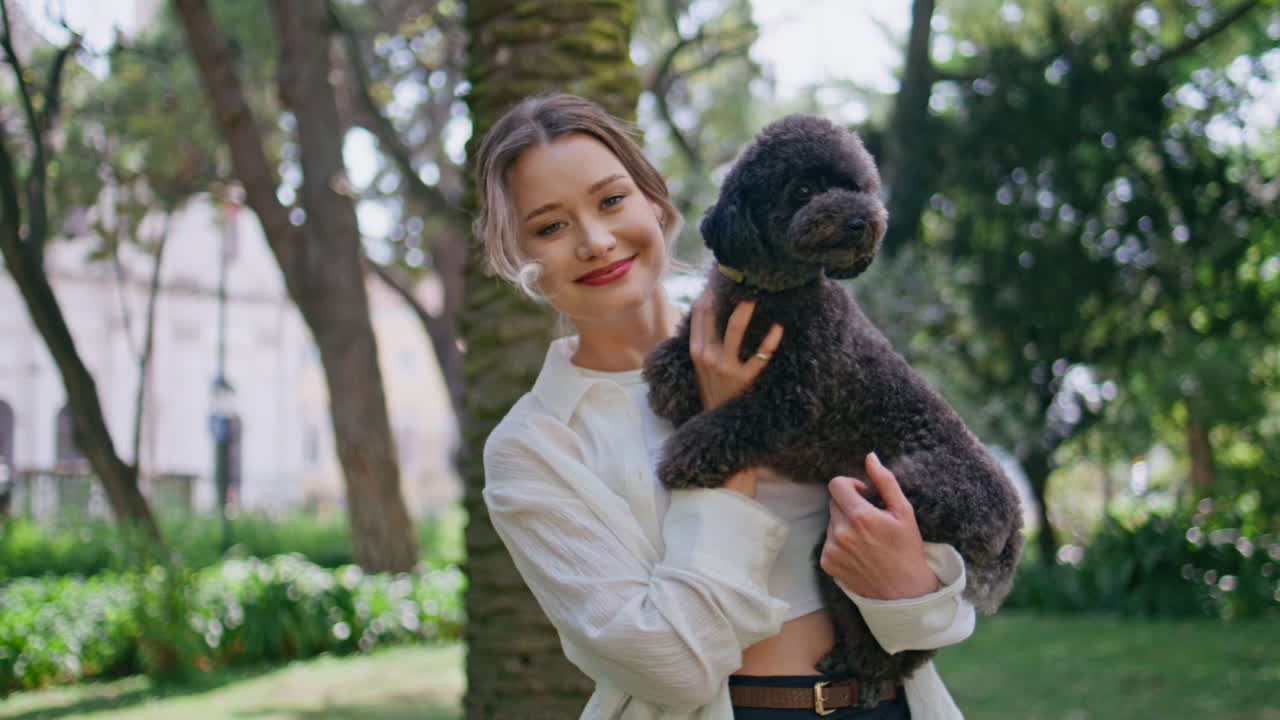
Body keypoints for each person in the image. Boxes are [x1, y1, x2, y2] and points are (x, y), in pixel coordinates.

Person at [476, 93, 974, 719]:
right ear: (517, 257)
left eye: (611, 200)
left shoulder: (801, 332)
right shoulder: (533, 448)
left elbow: (935, 618)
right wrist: (727, 431)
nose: (595, 241)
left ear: (655, 203)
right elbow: (674, 669)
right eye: (550, 227)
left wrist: (908, 585)